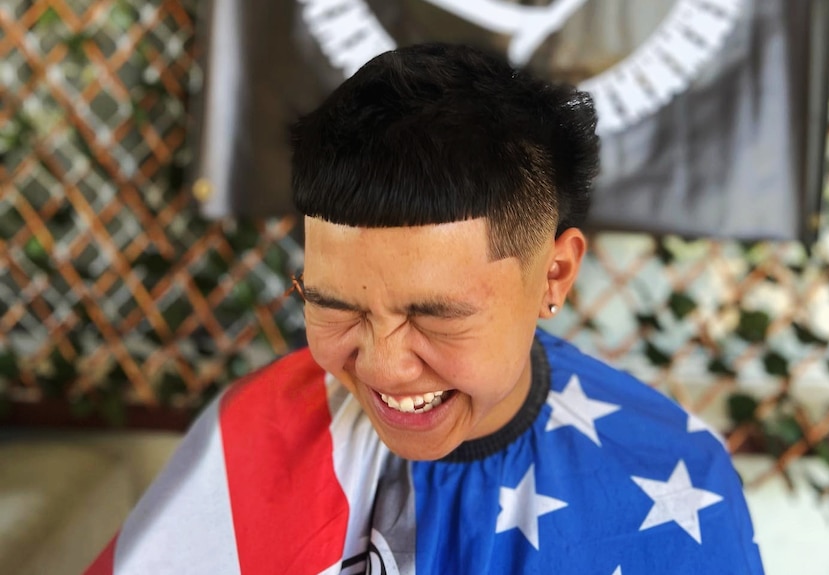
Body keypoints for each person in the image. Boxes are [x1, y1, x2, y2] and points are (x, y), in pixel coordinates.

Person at [85, 43, 764, 575]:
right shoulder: (254, 435)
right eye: (333, 306)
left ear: (553, 274)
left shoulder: (671, 474)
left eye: (435, 315)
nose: (384, 364)